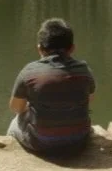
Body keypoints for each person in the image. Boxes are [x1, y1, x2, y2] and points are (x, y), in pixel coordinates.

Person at [7, 18, 96, 155]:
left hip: (41, 143)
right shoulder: (84, 70)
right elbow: (89, 99)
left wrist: (31, 106)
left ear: (39, 48)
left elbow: (16, 108)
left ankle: (10, 155)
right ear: (72, 48)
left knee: (14, 123)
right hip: (78, 141)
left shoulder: (29, 71)